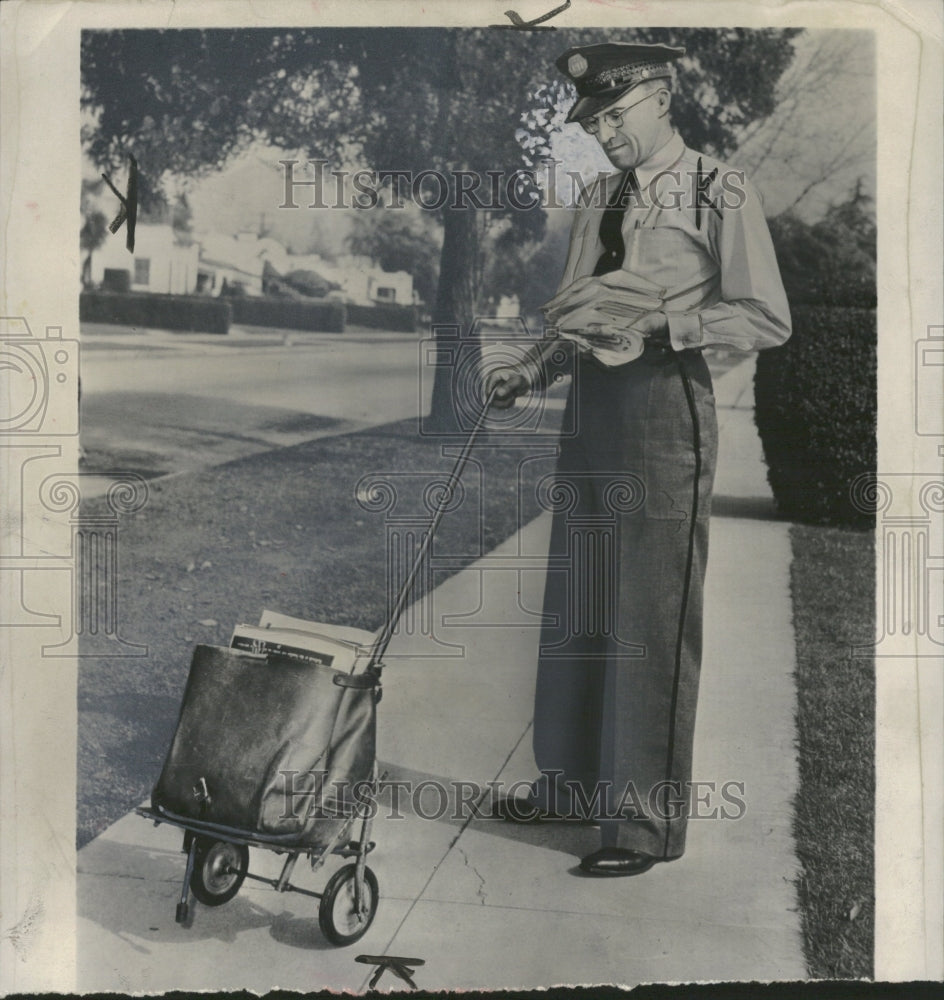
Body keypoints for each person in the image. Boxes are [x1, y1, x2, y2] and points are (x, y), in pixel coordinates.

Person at [485, 41, 791, 877]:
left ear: (662, 95)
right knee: (578, 601)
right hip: (591, 408)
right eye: (592, 122)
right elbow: (579, 309)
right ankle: (570, 786)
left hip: (663, 408)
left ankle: (642, 824)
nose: (604, 132)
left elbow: (765, 316)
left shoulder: (719, 190)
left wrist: (665, 329)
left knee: (649, 618)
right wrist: (529, 368)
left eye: (616, 115)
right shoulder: (596, 195)